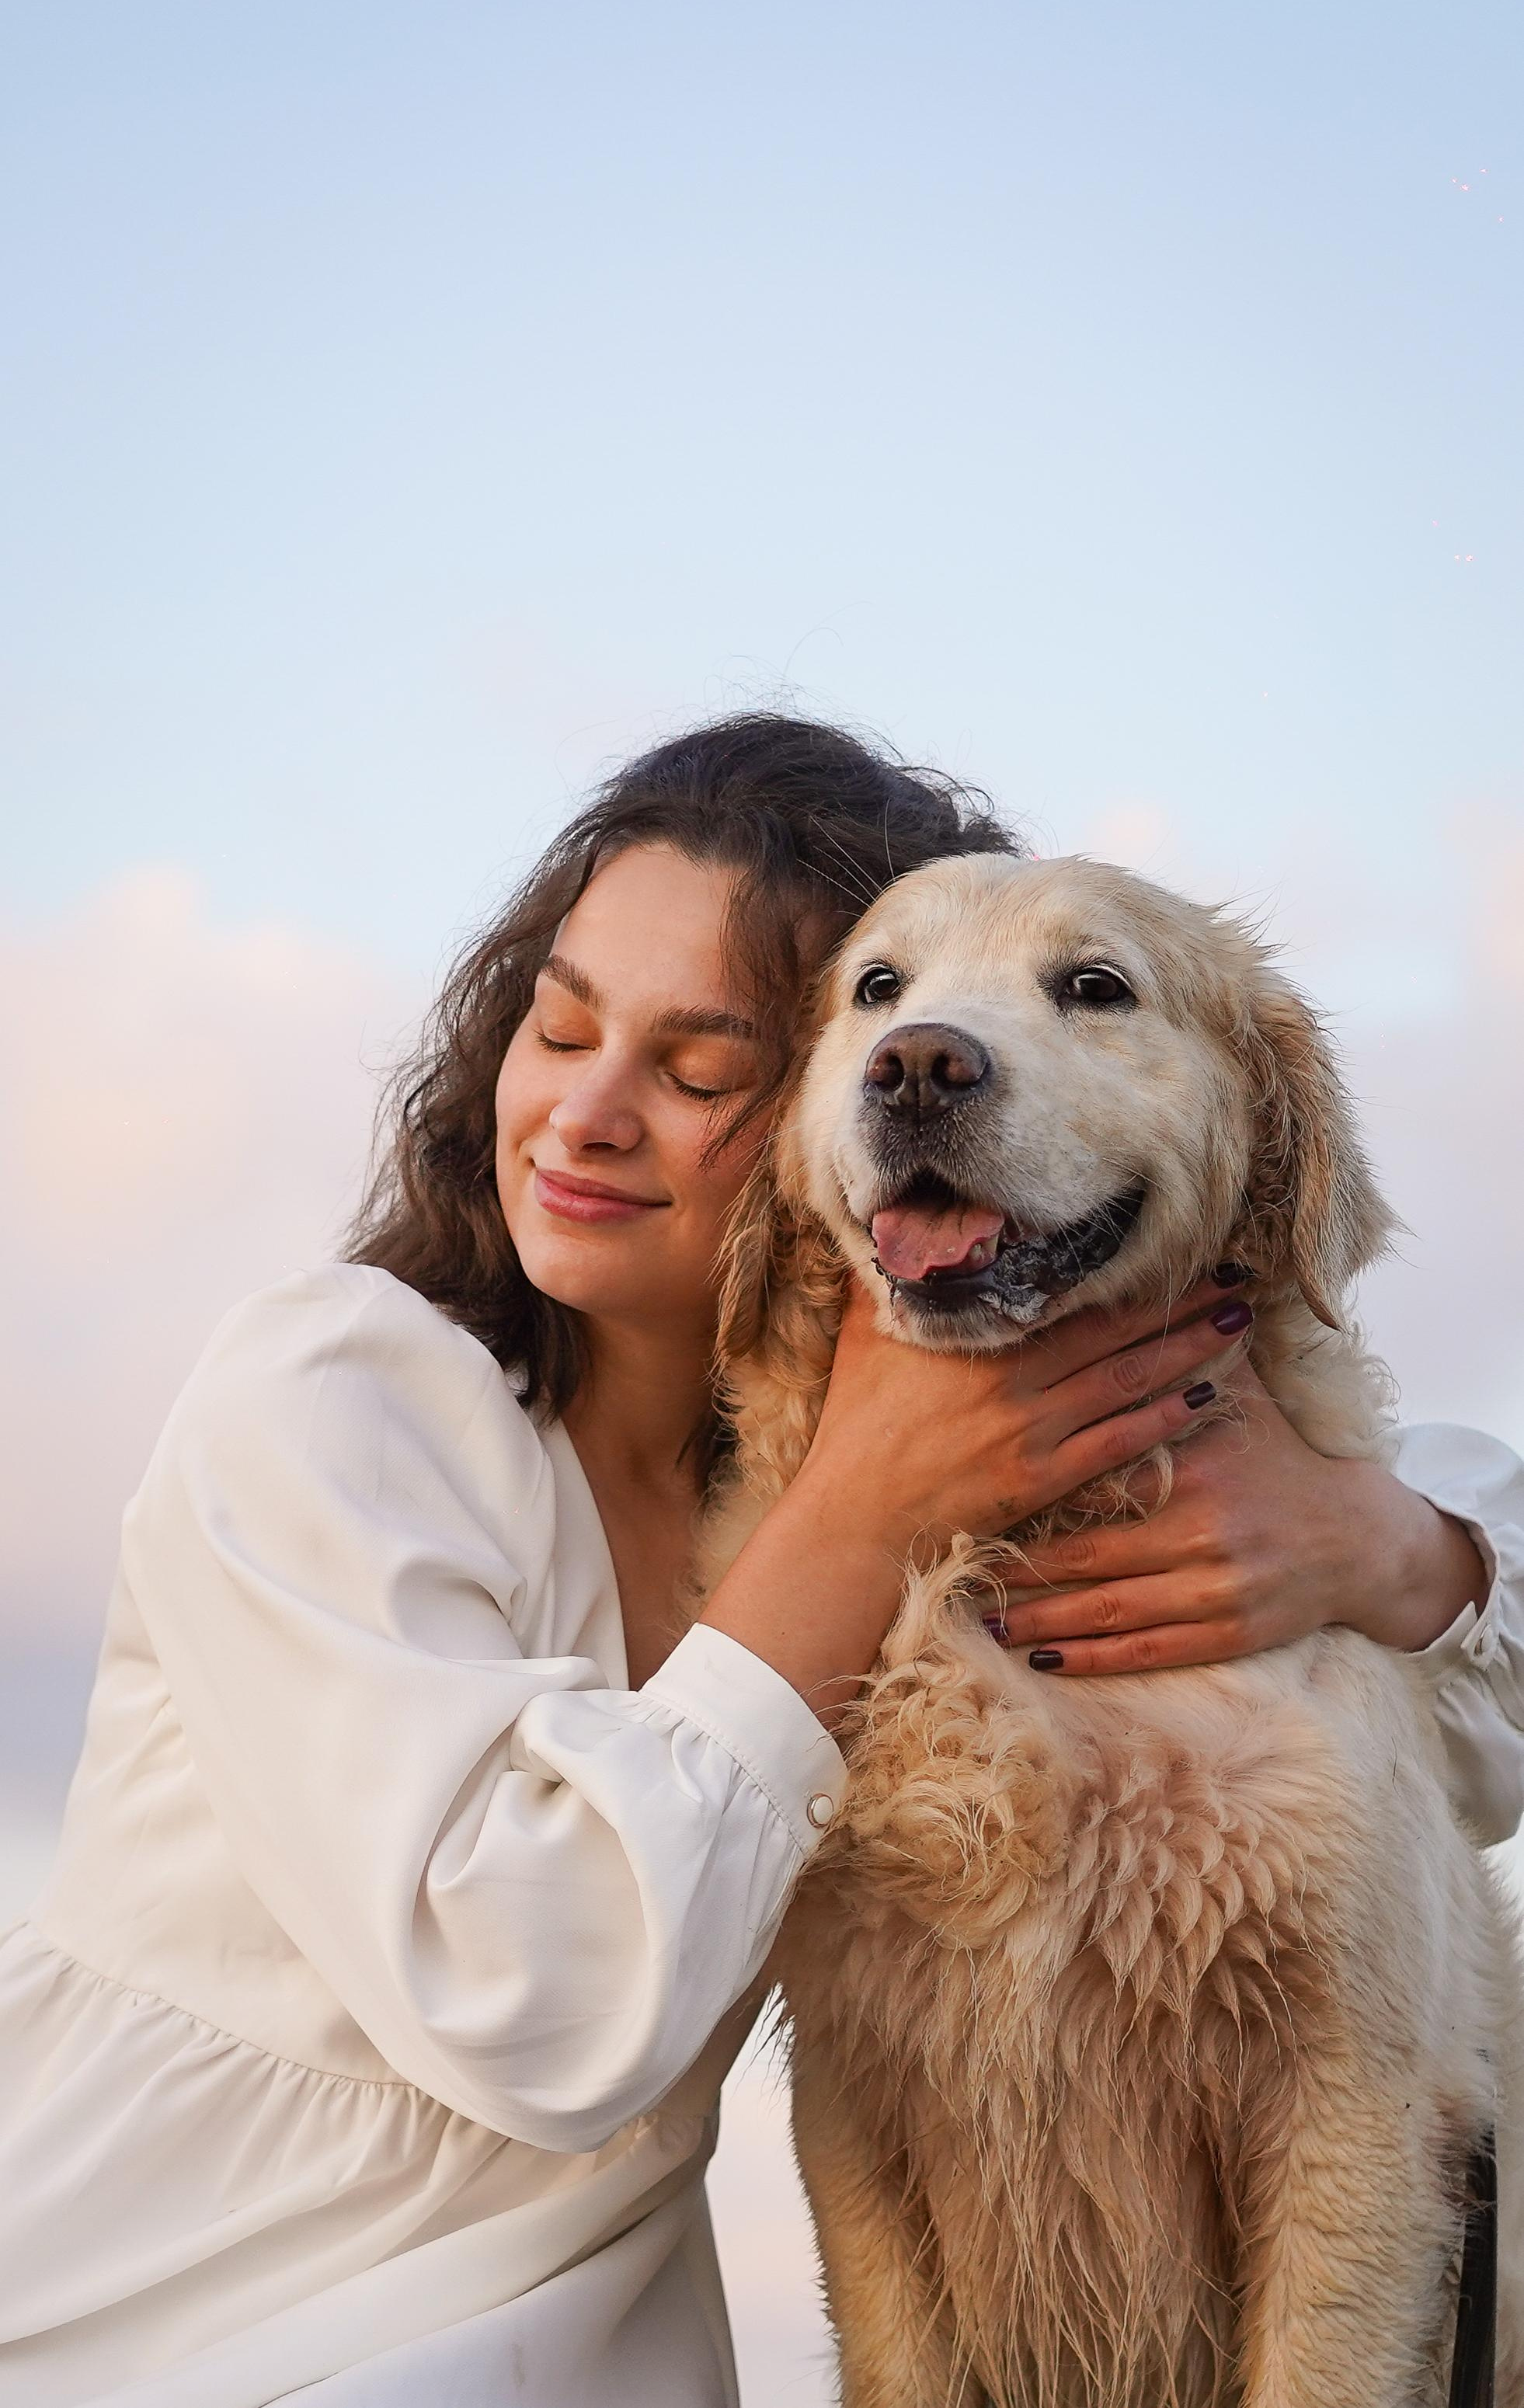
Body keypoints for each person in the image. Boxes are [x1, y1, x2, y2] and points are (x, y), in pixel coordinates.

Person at [1, 715, 1519, 2408]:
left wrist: (1406, 1549)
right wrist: (861, 1510)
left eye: (702, 1067)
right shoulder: (341, 1395)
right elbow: (544, 1993)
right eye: (557, 1026)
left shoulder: (894, 1478)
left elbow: (1436, 1729)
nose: (585, 1110)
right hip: (136, 2333)